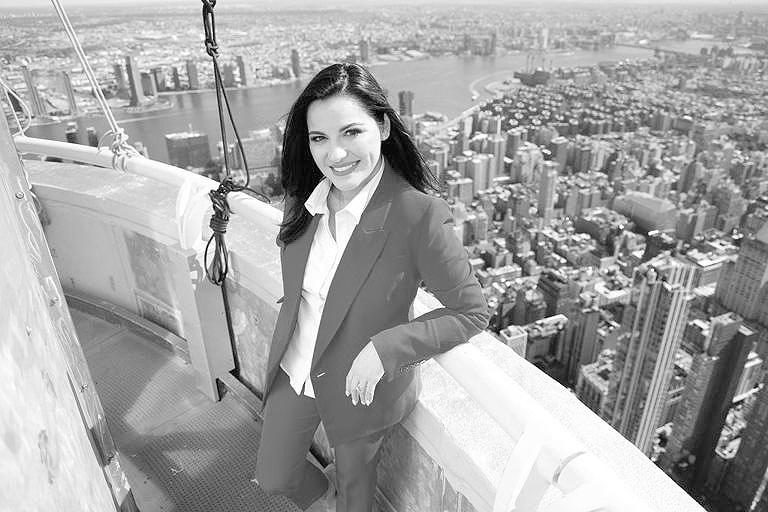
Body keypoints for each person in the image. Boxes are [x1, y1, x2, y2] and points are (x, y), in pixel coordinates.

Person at [256, 62, 489, 512]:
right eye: (319, 138)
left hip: (360, 388)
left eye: (351, 132)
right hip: (295, 365)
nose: (335, 154)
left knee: (357, 502)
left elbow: (471, 310)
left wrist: (387, 348)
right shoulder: (304, 199)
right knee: (274, 476)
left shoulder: (417, 214)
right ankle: (324, 497)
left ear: (382, 127)